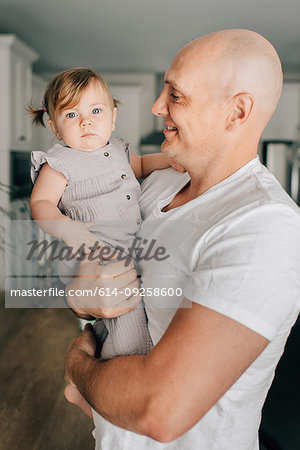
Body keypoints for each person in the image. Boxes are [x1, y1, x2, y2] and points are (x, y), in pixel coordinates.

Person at [64, 30, 300, 449]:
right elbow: (93, 271)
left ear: (237, 112)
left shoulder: (266, 225)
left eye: (176, 94)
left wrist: (77, 366)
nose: (157, 107)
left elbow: (161, 408)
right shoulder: (157, 185)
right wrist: (79, 296)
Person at [29, 68, 183, 417]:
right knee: (126, 309)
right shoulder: (59, 162)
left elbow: (141, 164)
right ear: (54, 126)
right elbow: (41, 205)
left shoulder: (117, 150)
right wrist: (69, 230)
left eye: (95, 111)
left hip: (127, 245)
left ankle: (95, 381)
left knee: (128, 307)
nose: (85, 122)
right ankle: (127, 371)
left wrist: (173, 161)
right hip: (93, 248)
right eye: (71, 114)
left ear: (112, 118)